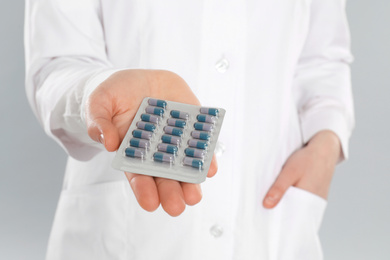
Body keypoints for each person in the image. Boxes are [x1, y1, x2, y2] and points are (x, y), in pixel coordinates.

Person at [25, 0, 354, 259]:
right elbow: (57, 61)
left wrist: (327, 137)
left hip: (267, 217)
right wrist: (96, 91)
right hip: (127, 230)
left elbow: (322, 58)